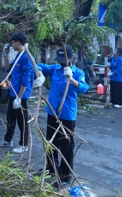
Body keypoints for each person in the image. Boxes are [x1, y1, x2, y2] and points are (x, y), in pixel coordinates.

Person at [36, 45, 89, 188]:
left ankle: (65, 176)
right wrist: (40, 73)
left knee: (66, 146)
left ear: (71, 59)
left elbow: (84, 88)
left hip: (67, 115)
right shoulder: (54, 69)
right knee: (50, 143)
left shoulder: (78, 72)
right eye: (59, 60)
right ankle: (51, 169)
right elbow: (37, 64)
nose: (61, 62)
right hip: (52, 112)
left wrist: (71, 79)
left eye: (63, 60)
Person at [0, 32, 34, 154]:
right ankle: (8, 140)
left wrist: (20, 97)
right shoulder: (18, 56)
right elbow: (7, 68)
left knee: (22, 121)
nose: (12, 45)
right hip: (13, 93)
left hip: (21, 96)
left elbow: (26, 80)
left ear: (18, 42)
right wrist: (5, 55)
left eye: (12, 43)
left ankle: (23, 145)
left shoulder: (26, 58)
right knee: (10, 118)